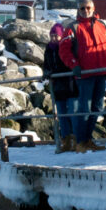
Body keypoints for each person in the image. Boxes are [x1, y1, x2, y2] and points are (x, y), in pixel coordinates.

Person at [59, 0, 106, 152]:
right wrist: (74, 65)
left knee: (98, 107)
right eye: (82, 8)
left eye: (88, 7)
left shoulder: (103, 25)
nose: (85, 10)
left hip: (101, 72)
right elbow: (64, 50)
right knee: (85, 108)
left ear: (93, 8)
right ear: (78, 10)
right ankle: (81, 141)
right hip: (84, 74)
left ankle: (87, 139)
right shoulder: (73, 28)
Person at [43, 22, 77, 153]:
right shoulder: (49, 49)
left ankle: (76, 140)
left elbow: (68, 63)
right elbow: (46, 64)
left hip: (69, 84)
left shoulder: (66, 46)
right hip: (57, 86)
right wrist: (46, 72)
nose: (53, 39)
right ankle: (66, 140)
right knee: (62, 114)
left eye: (56, 36)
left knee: (72, 113)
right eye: (52, 36)